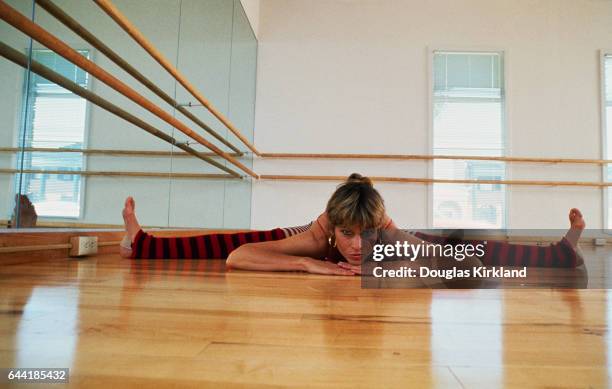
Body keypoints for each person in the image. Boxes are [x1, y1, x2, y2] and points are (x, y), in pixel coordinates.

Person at [119, 173, 586, 275]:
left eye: (367, 236)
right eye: (349, 236)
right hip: (310, 234)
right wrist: (311, 265)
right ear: (333, 229)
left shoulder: (385, 234)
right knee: (242, 238)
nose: (359, 247)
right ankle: (141, 242)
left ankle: (560, 252)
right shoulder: (319, 236)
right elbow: (236, 255)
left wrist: (555, 254)